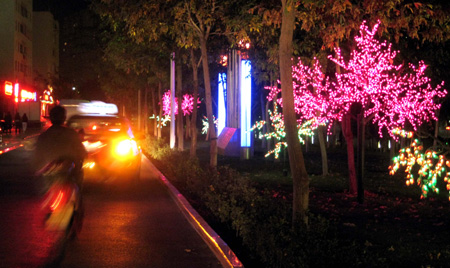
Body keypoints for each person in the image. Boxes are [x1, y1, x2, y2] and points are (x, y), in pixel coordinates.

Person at [33, 105, 87, 191]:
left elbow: (37, 157)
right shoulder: (71, 134)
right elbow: (81, 152)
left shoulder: (43, 136)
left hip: (48, 174)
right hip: (66, 173)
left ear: (50, 118)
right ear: (64, 118)